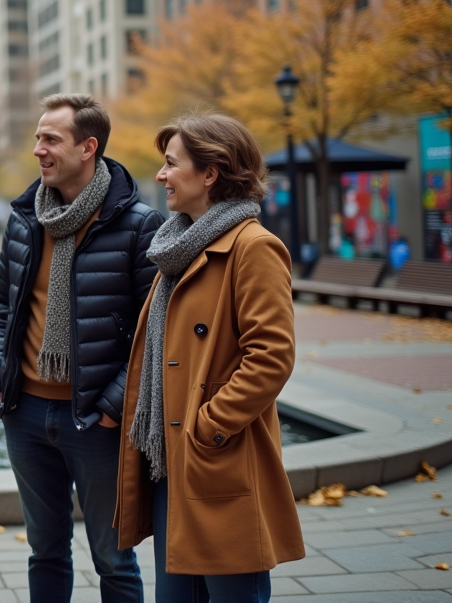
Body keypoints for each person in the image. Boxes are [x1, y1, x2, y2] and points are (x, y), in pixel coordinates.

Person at [114, 114, 305, 603]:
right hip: (170, 464)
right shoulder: (177, 247)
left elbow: (271, 356)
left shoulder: (253, 247)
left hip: (215, 458)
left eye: (171, 163)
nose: (160, 175)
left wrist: (208, 427)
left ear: (210, 173)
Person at [0, 94, 164, 602]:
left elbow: (155, 330)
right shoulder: (24, 218)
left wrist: (112, 406)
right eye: (38, 137)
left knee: (113, 557)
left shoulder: (138, 224)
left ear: (88, 147)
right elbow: (3, 305)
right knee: (45, 552)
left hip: (95, 422)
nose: (38, 149)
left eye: (50, 139)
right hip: (26, 413)